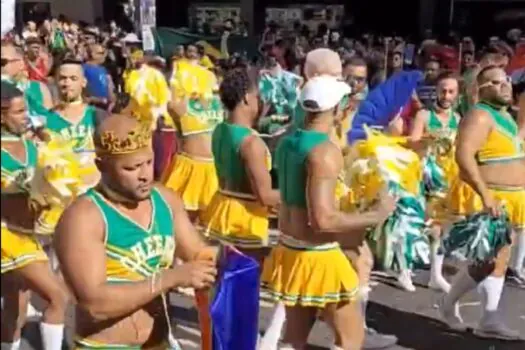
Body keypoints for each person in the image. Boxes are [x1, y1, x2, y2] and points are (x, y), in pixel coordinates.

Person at [54, 113, 219, 348]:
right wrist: (171, 278)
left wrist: (234, 264)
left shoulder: (165, 199)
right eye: (131, 168)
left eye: (148, 163)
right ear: (102, 166)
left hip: (157, 343)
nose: (144, 175)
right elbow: (95, 304)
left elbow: (198, 252)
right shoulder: (83, 218)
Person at [261, 76, 395, 350]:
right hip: (318, 255)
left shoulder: (288, 142)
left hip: (291, 249)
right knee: (351, 339)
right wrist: (377, 214)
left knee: (294, 338)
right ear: (339, 108)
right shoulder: (324, 152)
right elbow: (323, 219)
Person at [440, 66, 524, 339]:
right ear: (482, 87)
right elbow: (463, 157)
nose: (506, 86)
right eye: (497, 82)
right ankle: (468, 310)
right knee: (489, 259)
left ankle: (486, 315)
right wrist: (486, 194)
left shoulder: (505, 117)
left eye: (508, 81)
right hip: (492, 196)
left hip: (511, 198)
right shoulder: (479, 115)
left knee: (497, 259)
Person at [1, 83, 68, 350]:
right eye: (18, 112)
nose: (26, 116)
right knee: (58, 296)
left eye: (26, 110)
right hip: (6, 235)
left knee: (14, 309)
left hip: (27, 234)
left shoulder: (31, 146)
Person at [201, 68, 280, 257]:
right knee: (246, 280)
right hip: (244, 221)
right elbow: (265, 196)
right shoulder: (251, 143)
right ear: (246, 98)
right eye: (257, 96)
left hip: (219, 209)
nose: (259, 101)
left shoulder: (220, 130)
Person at [410, 71, 461, 293]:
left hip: (446, 177)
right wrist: (425, 141)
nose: (446, 95)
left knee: (439, 227)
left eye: (451, 91)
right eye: (443, 90)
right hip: (424, 175)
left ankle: (435, 275)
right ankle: (404, 269)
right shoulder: (423, 115)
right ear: (436, 91)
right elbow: (411, 144)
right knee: (416, 224)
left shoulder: (457, 118)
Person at [83, 43, 116, 111]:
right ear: (92, 54)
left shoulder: (103, 69)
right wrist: (95, 100)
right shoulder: (84, 69)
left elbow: (109, 88)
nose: (103, 55)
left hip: (106, 108)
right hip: (93, 108)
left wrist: (112, 101)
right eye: (101, 53)